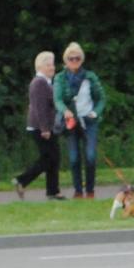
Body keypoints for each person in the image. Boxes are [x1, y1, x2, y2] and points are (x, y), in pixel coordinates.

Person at [52, 42, 106, 199]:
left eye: (77, 58)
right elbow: (57, 100)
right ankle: (78, 190)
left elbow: (101, 98)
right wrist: (65, 111)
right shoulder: (60, 78)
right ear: (66, 60)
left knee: (90, 156)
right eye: (71, 58)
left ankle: (90, 190)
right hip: (71, 122)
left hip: (89, 122)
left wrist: (95, 113)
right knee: (74, 158)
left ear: (82, 60)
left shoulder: (90, 77)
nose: (74, 61)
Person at [12, 51, 64, 200]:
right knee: (49, 158)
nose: (52, 67)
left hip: (46, 126)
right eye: (48, 65)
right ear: (40, 67)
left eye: (52, 64)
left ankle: (53, 191)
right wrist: (45, 129)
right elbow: (39, 108)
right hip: (40, 127)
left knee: (53, 158)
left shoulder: (45, 82)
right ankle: (22, 180)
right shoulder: (39, 83)